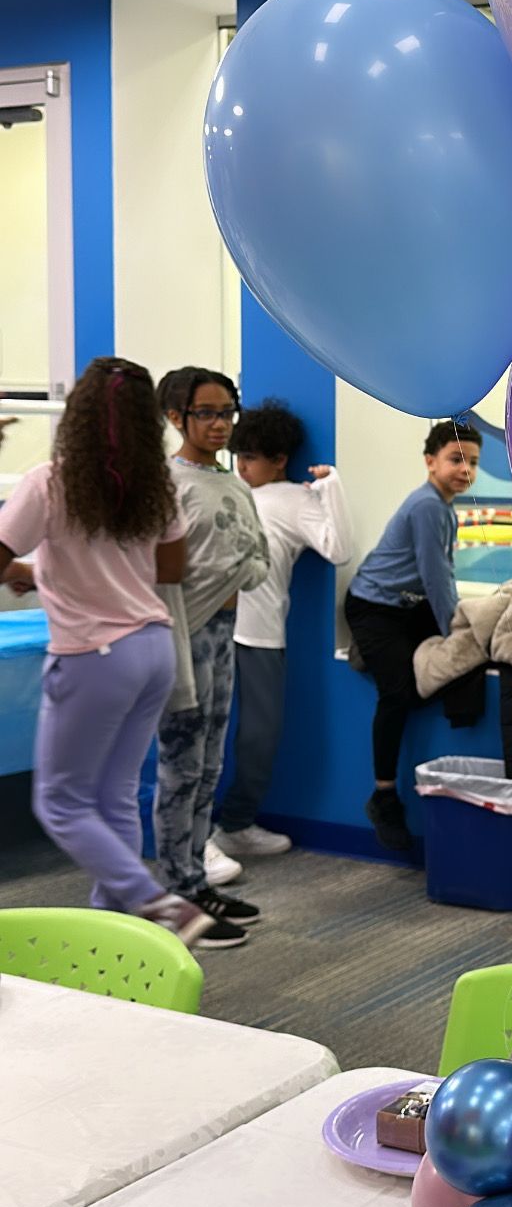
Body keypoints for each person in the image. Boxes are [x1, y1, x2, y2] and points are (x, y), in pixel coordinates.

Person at [0, 357, 206, 943]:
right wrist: (47, 570)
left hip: (96, 657)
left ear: (79, 416)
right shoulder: (154, 487)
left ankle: (157, 904)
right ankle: (115, 934)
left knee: (61, 802)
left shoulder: (50, 482)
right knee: (114, 795)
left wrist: (37, 567)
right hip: (153, 649)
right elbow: (168, 569)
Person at [205, 399, 354, 871]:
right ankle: (195, 840)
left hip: (260, 631)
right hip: (206, 624)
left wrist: (331, 487)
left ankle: (235, 825)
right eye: (238, 456)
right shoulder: (224, 489)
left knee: (259, 736)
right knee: (200, 734)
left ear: (279, 461)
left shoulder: (295, 500)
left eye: (251, 457)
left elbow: (339, 549)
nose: (242, 466)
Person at [154, 368, 270, 949]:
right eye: (207, 413)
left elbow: (255, 558)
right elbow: (162, 573)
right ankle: (175, 892)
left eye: (228, 411)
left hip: (223, 635)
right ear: (177, 417)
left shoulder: (234, 486)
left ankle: (196, 879)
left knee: (209, 766)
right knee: (180, 766)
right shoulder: (167, 484)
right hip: (180, 636)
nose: (221, 423)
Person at [344, 419, 482, 852]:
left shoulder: (442, 506)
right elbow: (436, 578)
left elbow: (444, 577)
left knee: (476, 649)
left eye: (474, 463)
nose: (466, 470)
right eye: (456, 459)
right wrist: (455, 631)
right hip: (374, 608)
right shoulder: (426, 506)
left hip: (406, 606)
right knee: (399, 693)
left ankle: (380, 654)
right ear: (430, 461)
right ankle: (383, 795)